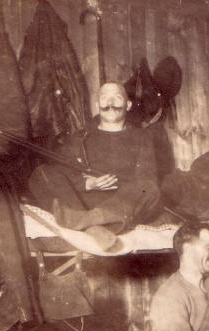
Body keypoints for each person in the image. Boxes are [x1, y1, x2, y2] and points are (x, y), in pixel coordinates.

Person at [28, 82, 162, 251]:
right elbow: (61, 171)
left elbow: (146, 178)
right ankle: (88, 223)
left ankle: (88, 224)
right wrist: (86, 184)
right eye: (104, 98)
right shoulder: (81, 136)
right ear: (97, 105)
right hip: (83, 202)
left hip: (121, 204)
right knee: (41, 173)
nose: (110, 103)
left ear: (128, 105)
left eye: (117, 98)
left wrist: (124, 187)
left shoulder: (142, 137)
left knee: (149, 188)